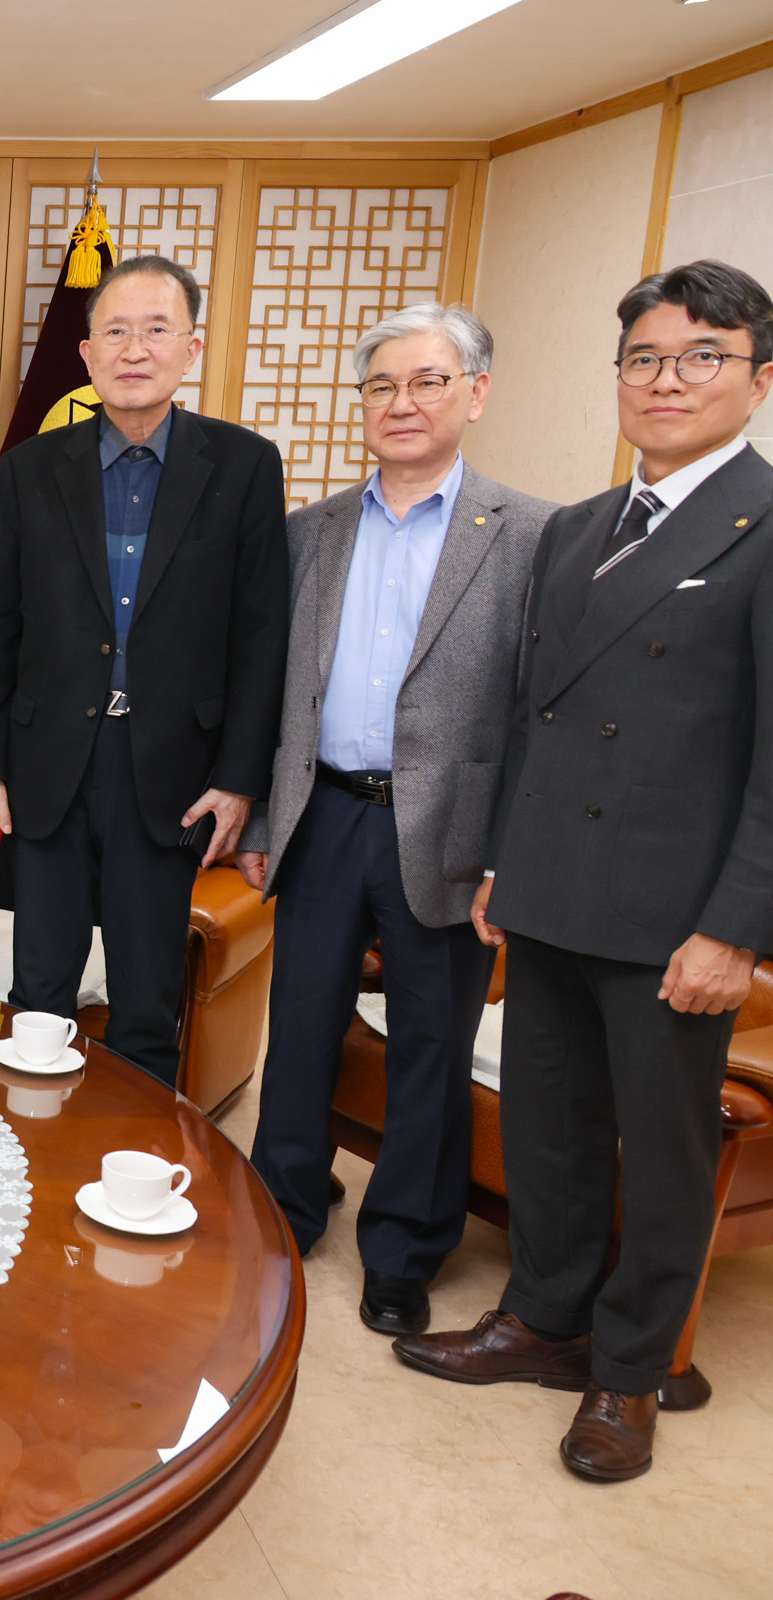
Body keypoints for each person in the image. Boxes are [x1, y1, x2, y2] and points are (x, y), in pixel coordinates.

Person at [396, 260, 773, 1484]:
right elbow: (531, 714)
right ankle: (545, 1319)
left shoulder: (764, 524)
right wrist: (502, 858)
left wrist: (737, 926)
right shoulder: (577, 528)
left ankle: (633, 1369)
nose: (668, 379)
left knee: (660, 1154)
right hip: (551, 882)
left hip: (675, 914)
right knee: (549, 1126)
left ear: (759, 381)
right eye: (645, 358)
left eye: (703, 356)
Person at [233, 305, 555, 1337]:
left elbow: (536, 712)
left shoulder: (532, 535)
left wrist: (510, 855)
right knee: (301, 1032)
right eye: (381, 385)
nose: (401, 403)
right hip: (325, 814)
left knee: (430, 1045)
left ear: (476, 393)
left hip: (450, 829)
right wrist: (263, 817)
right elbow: (274, 689)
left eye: (427, 382)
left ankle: (406, 1247)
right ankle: (285, 1207)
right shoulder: (311, 531)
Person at [0, 255, 287, 1088]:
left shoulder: (245, 465)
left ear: (191, 347)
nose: (134, 349)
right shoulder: (31, 466)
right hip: (48, 766)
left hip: (172, 770)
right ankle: (35, 1142)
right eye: (115, 331)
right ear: (86, 352)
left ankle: (134, 1151)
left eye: (156, 330)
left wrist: (239, 782)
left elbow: (261, 637)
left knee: (147, 1000)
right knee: (38, 994)